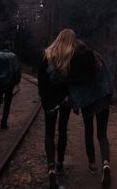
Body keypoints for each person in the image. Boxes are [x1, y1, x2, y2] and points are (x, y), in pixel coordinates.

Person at [68, 40, 113, 188]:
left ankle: (92, 164)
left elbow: (73, 87)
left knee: (88, 132)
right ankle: (106, 163)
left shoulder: (74, 63)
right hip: (102, 100)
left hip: (87, 103)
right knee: (102, 134)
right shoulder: (96, 57)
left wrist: (75, 105)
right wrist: (110, 95)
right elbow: (107, 76)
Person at [37, 29, 74, 189]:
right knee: (63, 130)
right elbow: (74, 80)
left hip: (49, 100)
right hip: (65, 99)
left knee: (49, 133)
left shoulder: (47, 54)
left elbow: (41, 79)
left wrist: (44, 97)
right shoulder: (71, 55)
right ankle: (60, 165)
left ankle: (50, 168)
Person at [0, 41, 21, 130]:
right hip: (9, 84)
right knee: (7, 103)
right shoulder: (13, 56)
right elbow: (17, 70)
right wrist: (17, 81)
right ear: (9, 47)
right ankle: (3, 124)